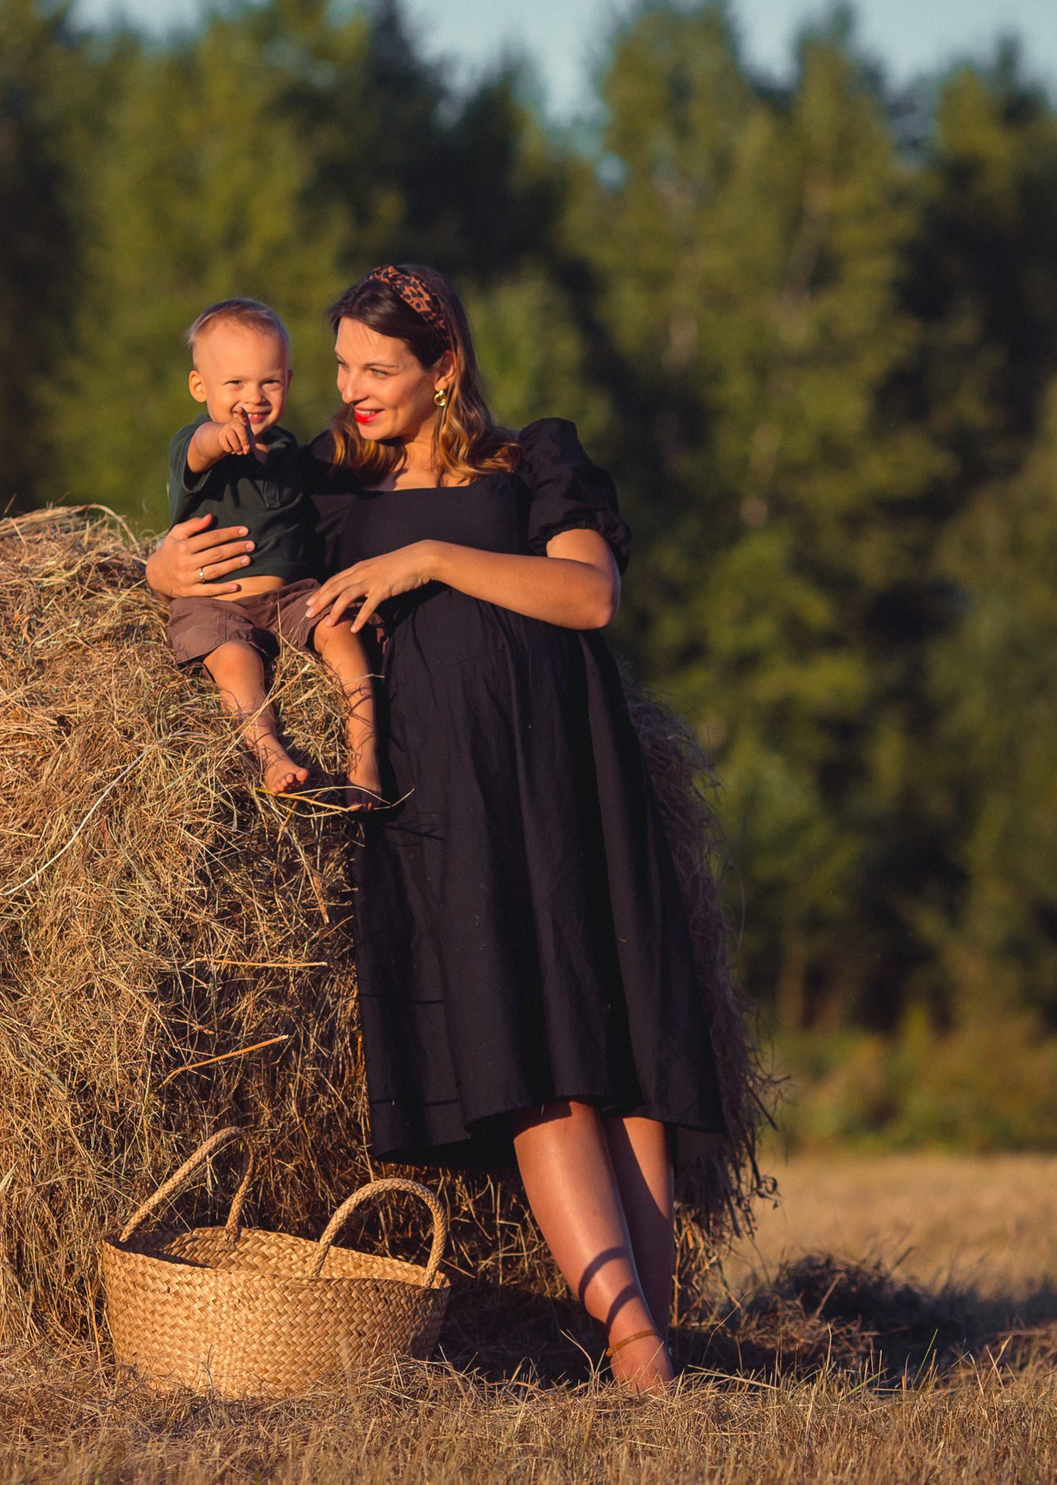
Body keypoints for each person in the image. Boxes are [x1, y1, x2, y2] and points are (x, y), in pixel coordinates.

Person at [147, 263, 723, 1393]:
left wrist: (426, 557)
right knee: (528, 1058)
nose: (351, 392)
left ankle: (659, 1331)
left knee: (622, 1056)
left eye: (378, 370)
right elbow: (215, 532)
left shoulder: (534, 462)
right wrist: (155, 563)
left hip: (570, 771)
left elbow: (589, 597)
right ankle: (633, 1345)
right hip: (442, 793)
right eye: (343, 366)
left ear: (442, 367)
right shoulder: (316, 482)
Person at [161, 298, 379, 802]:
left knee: (341, 631)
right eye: (234, 384)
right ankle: (270, 754)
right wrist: (221, 435)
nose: (253, 397)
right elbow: (200, 449)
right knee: (236, 663)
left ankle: (364, 756)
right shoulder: (194, 442)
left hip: (289, 597)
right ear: (201, 387)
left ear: (289, 381)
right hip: (214, 602)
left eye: (269, 382)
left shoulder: (286, 451)